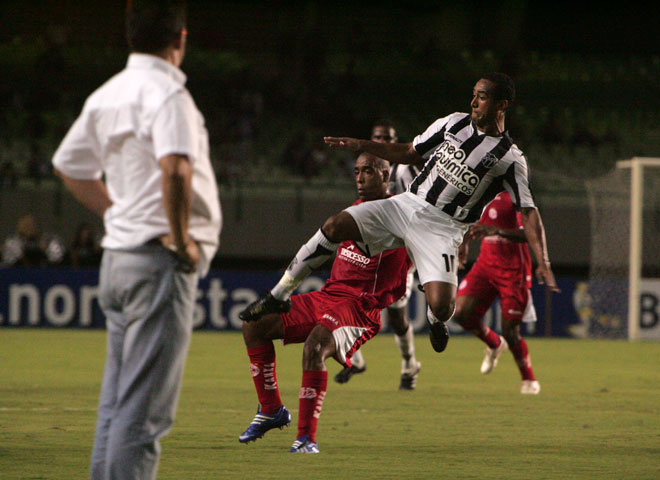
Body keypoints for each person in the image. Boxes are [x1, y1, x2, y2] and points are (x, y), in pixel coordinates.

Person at [240, 72, 559, 359]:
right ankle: (277, 296)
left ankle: (436, 322)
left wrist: (542, 261)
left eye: (483, 96)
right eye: (474, 93)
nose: (473, 101)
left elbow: (529, 213)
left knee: (442, 306)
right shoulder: (453, 123)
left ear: (502, 104)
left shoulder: (510, 159)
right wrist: (362, 145)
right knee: (334, 226)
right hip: (406, 205)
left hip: (443, 228)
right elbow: (409, 152)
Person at [51, 1, 222, 478]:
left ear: (129, 37)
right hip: (156, 262)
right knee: (144, 417)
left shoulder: (107, 94)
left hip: (119, 260)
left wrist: (117, 212)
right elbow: (176, 169)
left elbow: (68, 166)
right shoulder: (169, 96)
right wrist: (181, 239)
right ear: (180, 39)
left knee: (117, 406)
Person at [238, 152, 411, 453]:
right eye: (357, 171)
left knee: (315, 346)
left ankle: (306, 438)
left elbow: (434, 240)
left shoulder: (403, 215)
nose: (359, 178)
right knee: (254, 324)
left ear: (386, 176)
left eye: (368, 171)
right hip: (328, 297)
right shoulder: (352, 213)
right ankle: (271, 410)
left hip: (360, 308)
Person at [334, 120, 423, 390]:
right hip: (371, 242)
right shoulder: (367, 164)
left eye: (387, 138)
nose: (382, 142)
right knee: (349, 300)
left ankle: (410, 364)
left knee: (396, 313)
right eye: (377, 137)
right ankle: (355, 360)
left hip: (398, 247)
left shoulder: (406, 168)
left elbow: (418, 206)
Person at [453, 190, 543, 394]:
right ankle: (494, 344)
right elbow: (471, 224)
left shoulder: (518, 195)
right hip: (485, 264)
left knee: (511, 330)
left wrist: (497, 230)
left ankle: (529, 379)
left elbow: (530, 233)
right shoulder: (482, 190)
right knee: (460, 312)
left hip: (513, 270)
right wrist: (464, 243)